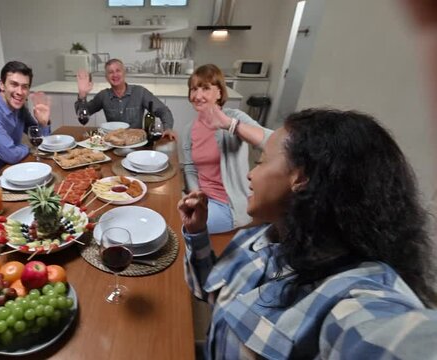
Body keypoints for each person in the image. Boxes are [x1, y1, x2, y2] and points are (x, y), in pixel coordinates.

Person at [178, 108, 437, 359]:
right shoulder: (258, 238)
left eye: (261, 161)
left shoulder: (354, 298)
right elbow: (209, 290)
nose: (251, 173)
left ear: (300, 177)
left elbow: (392, 339)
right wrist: (196, 233)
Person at [182, 64, 272, 234]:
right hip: (203, 201)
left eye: (205, 88)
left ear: (220, 93)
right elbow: (190, 167)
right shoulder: (189, 129)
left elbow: (273, 142)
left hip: (228, 205)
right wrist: (196, 195)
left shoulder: (234, 118)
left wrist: (230, 125)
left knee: (180, 227)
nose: (197, 95)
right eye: (194, 89)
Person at [0, 60, 51, 177]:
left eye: (25, 87)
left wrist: (43, 123)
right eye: (14, 84)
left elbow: (40, 140)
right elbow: (11, 155)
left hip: (10, 169)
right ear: (2, 84)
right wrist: (29, 147)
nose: (20, 92)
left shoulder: (18, 105)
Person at [75, 59, 176, 139]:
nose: (115, 75)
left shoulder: (140, 92)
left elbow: (163, 110)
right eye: (110, 72)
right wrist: (82, 95)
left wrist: (168, 128)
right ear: (106, 77)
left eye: (118, 70)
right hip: (113, 143)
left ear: (124, 73)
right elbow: (84, 114)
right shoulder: (103, 95)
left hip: (136, 144)